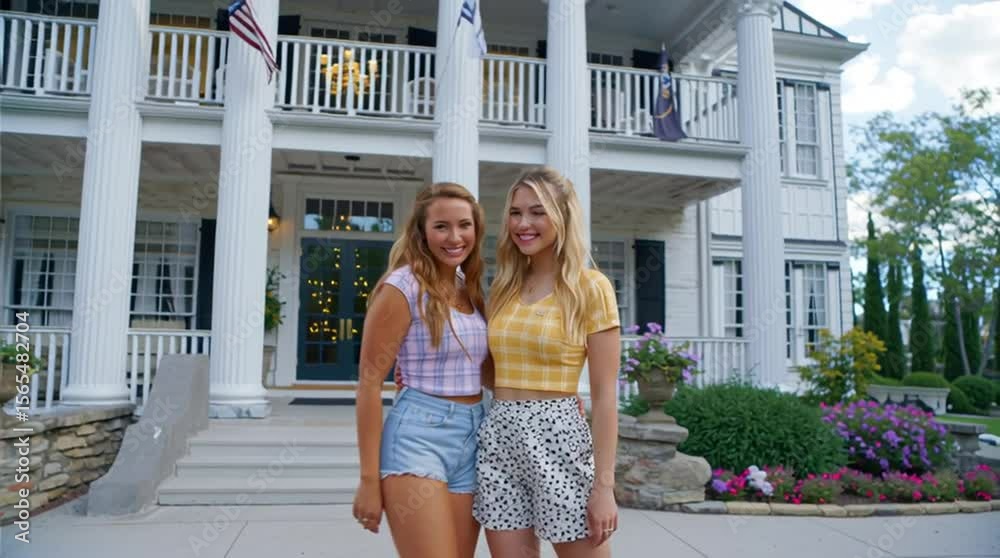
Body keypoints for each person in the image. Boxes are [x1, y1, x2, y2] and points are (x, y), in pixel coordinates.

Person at [474, 166, 622, 557]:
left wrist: (603, 488)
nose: (523, 223)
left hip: (558, 435)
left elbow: (607, 395)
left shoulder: (591, 287)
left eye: (537, 212)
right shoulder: (504, 285)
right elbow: (492, 370)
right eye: (516, 212)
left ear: (563, 216)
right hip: (500, 435)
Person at [353, 182, 491, 558]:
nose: (454, 236)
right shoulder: (402, 288)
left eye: (464, 225)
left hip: (474, 435)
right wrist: (368, 480)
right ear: (422, 232)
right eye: (441, 226)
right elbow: (367, 385)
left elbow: (484, 370)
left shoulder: (468, 288)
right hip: (419, 437)